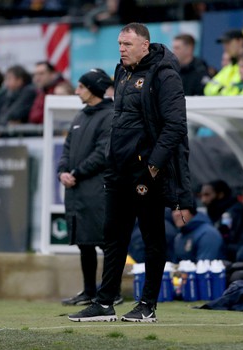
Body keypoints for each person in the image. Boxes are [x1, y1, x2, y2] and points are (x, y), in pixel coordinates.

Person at [68, 22, 194, 323]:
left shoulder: (165, 75)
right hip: (118, 169)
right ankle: (104, 302)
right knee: (113, 236)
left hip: (146, 171)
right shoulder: (122, 71)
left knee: (151, 236)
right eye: (120, 44)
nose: (121, 49)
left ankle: (148, 304)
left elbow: (176, 125)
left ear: (145, 46)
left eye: (127, 44)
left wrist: (153, 164)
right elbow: (121, 121)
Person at [57, 68, 117, 307]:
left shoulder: (110, 115)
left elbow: (103, 153)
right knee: (84, 241)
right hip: (77, 190)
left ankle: (110, 290)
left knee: (105, 241)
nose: (77, 90)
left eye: (81, 86)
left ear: (92, 89)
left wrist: (76, 173)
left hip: (96, 190)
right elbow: (67, 150)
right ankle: (89, 291)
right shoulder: (80, 117)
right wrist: (62, 171)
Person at [204, 29, 243, 96]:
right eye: (224, 44)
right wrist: (221, 89)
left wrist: (222, 90)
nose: (225, 47)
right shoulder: (229, 67)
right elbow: (208, 89)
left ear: (240, 41)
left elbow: (237, 94)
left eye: (228, 43)